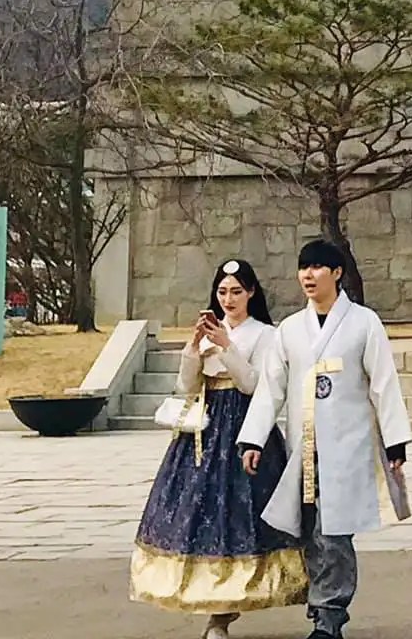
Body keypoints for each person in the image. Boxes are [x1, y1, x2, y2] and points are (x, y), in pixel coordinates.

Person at [239, 239, 412, 639]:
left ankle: (330, 613)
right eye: (304, 268)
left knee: (334, 531)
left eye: (317, 267)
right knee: (309, 530)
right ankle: (321, 608)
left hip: (347, 444)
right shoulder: (290, 329)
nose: (308, 275)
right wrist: (253, 439)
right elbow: (271, 388)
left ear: (336, 273)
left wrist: (395, 441)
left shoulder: (364, 322)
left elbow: (383, 382)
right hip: (304, 446)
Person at [131, 259, 307, 639]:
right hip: (205, 430)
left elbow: (254, 385)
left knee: (242, 515)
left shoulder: (265, 334)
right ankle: (214, 608)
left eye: (237, 292)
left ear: (251, 293)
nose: (229, 299)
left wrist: (227, 347)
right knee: (201, 513)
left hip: (246, 426)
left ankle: (232, 606)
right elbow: (187, 386)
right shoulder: (210, 331)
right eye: (223, 291)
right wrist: (193, 349)